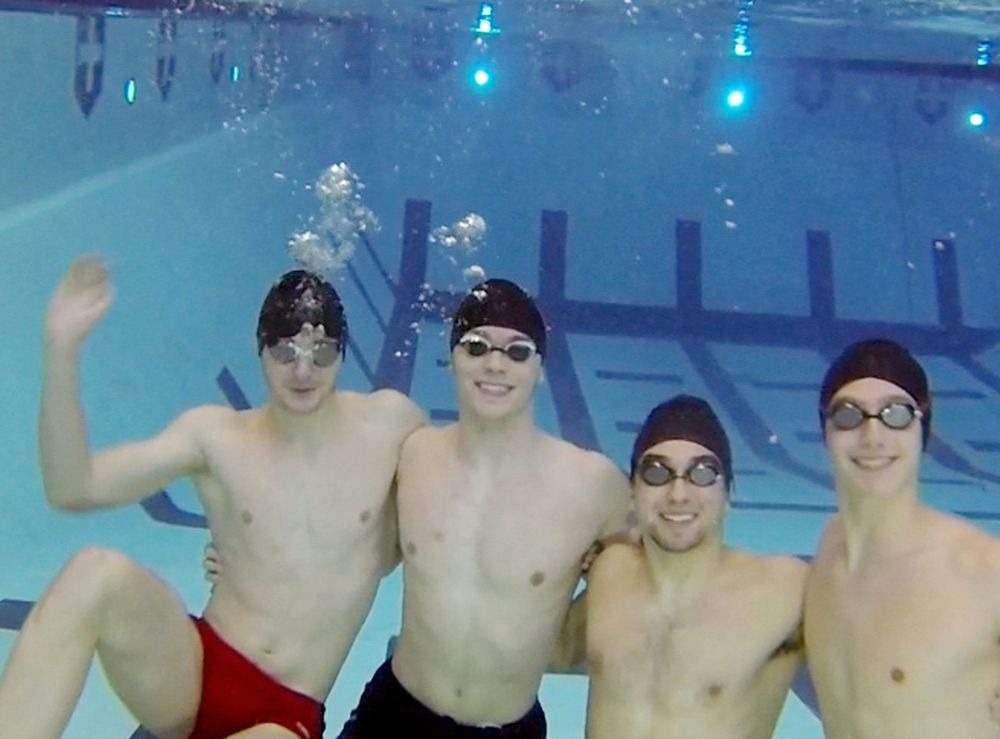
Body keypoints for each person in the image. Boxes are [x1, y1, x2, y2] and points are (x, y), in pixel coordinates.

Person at [0, 257, 424, 739]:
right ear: (261, 352)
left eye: (321, 353)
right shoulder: (215, 437)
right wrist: (61, 351)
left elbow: (446, 505)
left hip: (285, 713)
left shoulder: (389, 427)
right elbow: (73, 488)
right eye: (285, 352)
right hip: (194, 668)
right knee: (94, 573)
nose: (303, 371)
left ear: (342, 354)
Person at [337, 278, 631, 738]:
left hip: (506, 727)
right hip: (394, 712)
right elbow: (349, 542)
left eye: (516, 352)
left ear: (540, 365)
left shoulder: (594, 486)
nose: (495, 365)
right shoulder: (412, 455)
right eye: (476, 347)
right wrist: (239, 554)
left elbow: (652, 586)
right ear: (452, 358)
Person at [551, 394, 807, 739]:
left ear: (728, 494)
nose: (678, 494)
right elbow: (555, 653)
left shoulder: (785, 588)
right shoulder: (611, 569)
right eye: (657, 473)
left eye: (702, 473)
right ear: (632, 493)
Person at [805, 338, 1000, 739]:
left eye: (895, 414)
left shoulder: (981, 569)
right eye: (848, 416)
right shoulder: (827, 552)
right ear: (825, 430)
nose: (872, 436)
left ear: (922, 428)